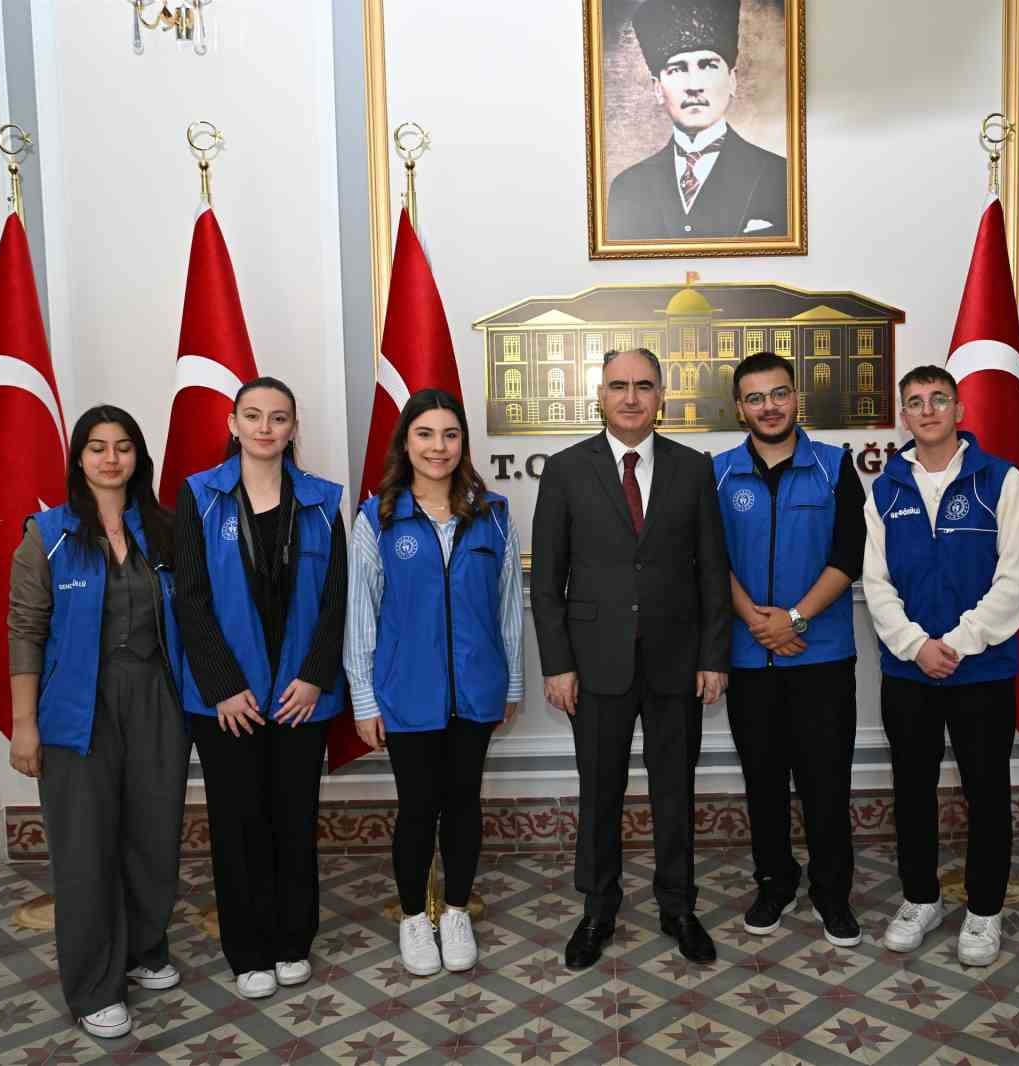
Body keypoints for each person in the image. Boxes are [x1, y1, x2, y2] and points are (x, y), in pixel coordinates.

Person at [531, 347, 731, 971]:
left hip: (677, 661)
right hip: (594, 664)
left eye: (644, 386)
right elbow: (547, 581)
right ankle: (598, 910)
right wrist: (557, 664)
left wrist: (713, 656)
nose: (631, 397)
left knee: (675, 790)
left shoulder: (692, 468)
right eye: (618, 385)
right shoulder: (566, 470)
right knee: (600, 791)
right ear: (600, 396)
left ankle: (678, 907)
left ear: (661, 397)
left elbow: (712, 570)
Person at [6, 405, 190, 1040]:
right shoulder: (48, 534)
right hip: (76, 707)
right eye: (97, 447)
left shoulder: (165, 530)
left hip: (157, 700)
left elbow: (197, 614)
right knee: (85, 848)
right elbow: (25, 629)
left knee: (153, 834)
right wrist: (24, 723)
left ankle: (142, 948)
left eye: (123, 447)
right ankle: (93, 987)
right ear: (78, 459)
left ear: (139, 457)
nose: (111, 459)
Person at [172, 376, 348, 1000]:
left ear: (294, 428)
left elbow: (337, 599)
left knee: (294, 820)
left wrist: (314, 676)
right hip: (229, 702)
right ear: (233, 423)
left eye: (278, 417)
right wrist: (222, 685)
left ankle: (293, 941)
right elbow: (189, 598)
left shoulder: (323, 501)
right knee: (238, 823)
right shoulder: (199, 496)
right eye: (253, 416)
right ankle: (247, 952)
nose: (265, 428)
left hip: (300, 696)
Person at [344, 389, 523, 977]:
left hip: (477, 687)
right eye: (425, 434)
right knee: (418, 807)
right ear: (406, 442)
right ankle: (414, 918)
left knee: (464, 803)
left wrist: (512, 684)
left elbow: (507, 607)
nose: (438, 447)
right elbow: (361, 614)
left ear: (463, 443)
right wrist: (364, 698)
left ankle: (456, 911)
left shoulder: (493, 514)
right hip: (406, 692)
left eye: (450, 434)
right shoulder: (377, 518)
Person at [863, 366, 1019, 967]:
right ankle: (921, 898)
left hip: (981, 672)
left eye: (939, 399)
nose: (928, 409)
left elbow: (1015, 578)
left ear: (959, 409)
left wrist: (957, 643)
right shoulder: (886, 489)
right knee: (912, 791)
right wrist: (917, 646)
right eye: (915, 402)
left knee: (986, 792)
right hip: (909, 673)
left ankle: (985, 910)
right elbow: (876, 583)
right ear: (903, 417)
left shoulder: (1001, 480)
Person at [712, 353, 866, 947]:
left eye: (779, 394)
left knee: (827, 781)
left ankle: (832, 892)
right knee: (764, 781)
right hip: (751, 657)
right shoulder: (718, 474)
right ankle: (775, 881)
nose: (769, 406)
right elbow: (710, 558)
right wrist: (756, 620)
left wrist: (795, 618)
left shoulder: (834, 466)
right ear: (739, 408)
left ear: (796, 397)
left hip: (821, 656)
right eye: (755, 398)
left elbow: (848, 554)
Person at [607, 0, 788, 241]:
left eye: (708, 66)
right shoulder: (628, 187)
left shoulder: (780, 176)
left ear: (732, 81)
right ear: (658, 89)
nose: (694, 86)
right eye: (677, 69)